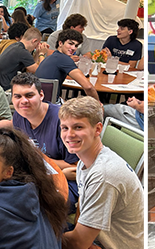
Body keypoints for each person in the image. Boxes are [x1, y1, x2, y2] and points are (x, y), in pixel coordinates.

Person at [53, 97, 141, 249]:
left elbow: (78, 243)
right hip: (96, 237)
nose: (69, 135)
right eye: (65, 128)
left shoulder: (104, 175)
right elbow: (82, 200)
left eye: (78, 127)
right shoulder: (85, 161)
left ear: (98, 129)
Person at [0, 77, 78, 199]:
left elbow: (75, 168)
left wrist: (37, 158)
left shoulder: (62, 121)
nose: (23, 101)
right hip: (34, 176)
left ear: (41, 95)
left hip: (64, 184)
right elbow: (11, 125)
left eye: (29, 95)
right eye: (17, 96)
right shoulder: (20, 115)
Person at [35, 30, 95, 101]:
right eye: (70, 44)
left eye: (76, 46)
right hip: (50, 104)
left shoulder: (52, 57)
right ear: (60, 43)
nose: (73, 48)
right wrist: (98, 104)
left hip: (38, 101)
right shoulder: (64, 59)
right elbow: (88, 87)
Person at [0, 23, 44, 88]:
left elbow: (31, 67)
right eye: (38, 43)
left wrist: (37, 52)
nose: (37, 47)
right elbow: (39, 71)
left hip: (1, 83)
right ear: (34, 41)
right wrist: (41, 53)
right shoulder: (22, 52)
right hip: (8, 86)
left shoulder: (15, 46)